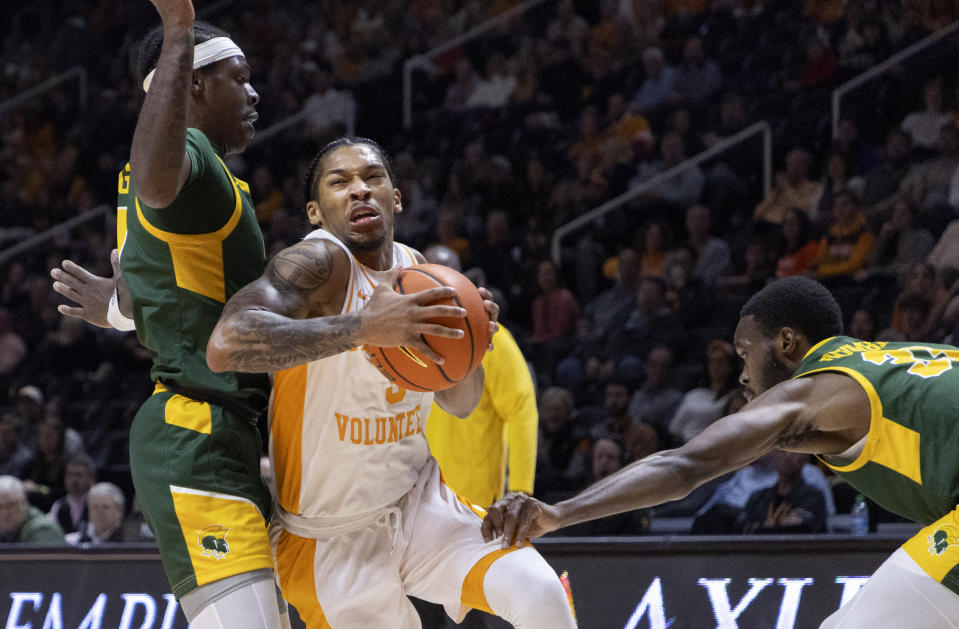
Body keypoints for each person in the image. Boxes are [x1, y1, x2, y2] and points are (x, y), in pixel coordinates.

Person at [205, 138, 576, 629]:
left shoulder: (419, 271)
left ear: (395, 197)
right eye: (340, 183)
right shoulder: (319, 263)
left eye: (372, 177)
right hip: (327, 540)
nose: (359, 190)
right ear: (316, 212)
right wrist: (362, 328)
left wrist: (468, 347)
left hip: (420, 504)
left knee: (541, 594)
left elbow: (461, 404)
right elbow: (225, 345)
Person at [484, 275, 959, 627]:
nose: (742, 376)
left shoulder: (816, 391)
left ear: (787, 343)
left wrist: (560, 513)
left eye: (745, 353)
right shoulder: (896, 363)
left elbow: (685, 464)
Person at [48, 3, 287, 627]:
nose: (255, 92)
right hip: (195, 434)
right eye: (241, 76)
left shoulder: (171, 174)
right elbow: (160, 187)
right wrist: (180, 30)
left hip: (217, 431)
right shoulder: (194, 161)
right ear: (195, 84)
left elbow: (162, 287)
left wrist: (125, 314)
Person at [0, 475, 65, 545]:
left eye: (11, 505)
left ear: (24, 503)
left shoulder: (42, 530)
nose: (4, 513)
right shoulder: (6, 529)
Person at [47, 453, 96, 535]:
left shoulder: (97, 504)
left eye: (79, 475)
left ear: (91, 478)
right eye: (70, 475)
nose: (74, 480)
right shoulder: (59, 506)